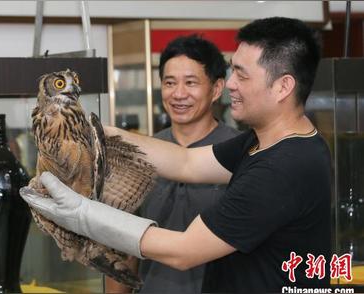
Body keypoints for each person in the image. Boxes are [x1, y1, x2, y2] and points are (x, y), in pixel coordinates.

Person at [20, 17, 331, 293]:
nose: (230, 85)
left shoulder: (283, 168)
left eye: (241, 75)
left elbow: (183, 251)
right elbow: (188, 162)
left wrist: (83, 216)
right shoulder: (265, 141)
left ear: (282, 87)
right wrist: (97, 134)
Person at [106, 35, 239, 293]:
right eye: (169, 83)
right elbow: (123, 250)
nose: (179, 94)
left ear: (216, 88)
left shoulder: (239, 153)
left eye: (191, 83)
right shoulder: (142, 153)